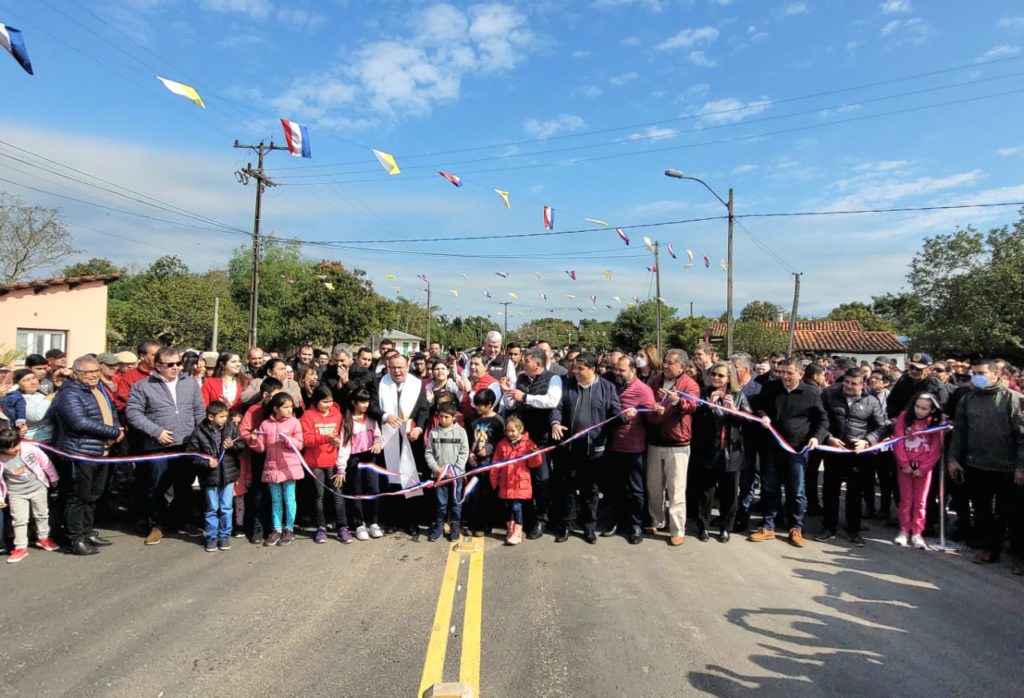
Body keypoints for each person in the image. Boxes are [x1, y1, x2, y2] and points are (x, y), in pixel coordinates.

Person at [948, 358, 1024, 569]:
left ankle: (1018, 554)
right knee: (982, 511)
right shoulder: (968, 399)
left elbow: (1022, 437)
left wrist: (1021, 467)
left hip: (1007, 468)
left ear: (995, 374)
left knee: (1011, 513)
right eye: (973, 373)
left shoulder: (1013, 399)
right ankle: (990, 548)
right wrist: (953, 458)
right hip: (977, 465)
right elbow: (960, 432)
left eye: (980, 373)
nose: (976, 377)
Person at [126, 346, 206, 545]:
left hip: (186, 444)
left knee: (184, 485)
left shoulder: (190, 383)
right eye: (170, 365)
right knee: (157, 486)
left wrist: (199, 436)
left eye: (178, 363)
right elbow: (133, 413)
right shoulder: (142, 386)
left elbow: (199, 410)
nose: (176, 368)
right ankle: (157, 524)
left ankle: (183, 520)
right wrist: (156, 431)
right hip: (158, 444)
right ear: (158, 365)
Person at [50, 355, 125, 555]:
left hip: (101, 450)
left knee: (94, 494)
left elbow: (111, 412)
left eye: (95, 371)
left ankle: (87, 530)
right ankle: (76, 538)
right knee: (78, 497)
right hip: (80, 451)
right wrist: (113, 433)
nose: (93, 376)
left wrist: (117, 428)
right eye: (87, 372)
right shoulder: (69, 393)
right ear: (76, 374)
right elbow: (79, 422)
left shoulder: (98, 388)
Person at [749, 359, 828, 548]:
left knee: (796, 491)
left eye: (789, 373)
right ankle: (768, 526)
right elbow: (759, 407)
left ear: (800, 374)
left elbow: (823, 420)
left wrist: (817, 438)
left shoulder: (812, 392)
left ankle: (795, 527)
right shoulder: (770, 388)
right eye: (780, 372)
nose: (784, 376)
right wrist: (763, 416)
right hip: (771, 447)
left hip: (797, 450)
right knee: (770, 487)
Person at [550, 351, 622, 544]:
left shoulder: (606, 387)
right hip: (569, 448)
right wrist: (555, 423)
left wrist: (625, 416)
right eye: (574, 368)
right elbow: (557, 408)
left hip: (594, 451)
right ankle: (567, 525)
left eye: (580, 368)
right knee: (568, 489)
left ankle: (589, 527)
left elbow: (616, 412)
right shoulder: (567, 385)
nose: (576, 371)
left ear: (592, 369)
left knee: (590, 491)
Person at [816, 368, 887, 546]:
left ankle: (853, 530)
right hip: (834, 452)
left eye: (853, 383)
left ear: (863, 384)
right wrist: (828, 438)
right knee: (830, 491)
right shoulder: (829, 395)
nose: (848, 386)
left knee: (855, 494)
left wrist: (867, 441)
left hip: (858, 456)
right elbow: (819, 419)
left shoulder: (872, 401)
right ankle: (828, 527)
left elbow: (880, 427)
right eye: (846, 382)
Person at [501, 346, 562, 539]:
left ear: (538, 364)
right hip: (521, 438)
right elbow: (512, 404)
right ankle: (523, 518)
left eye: (526, 361)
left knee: (541, 480)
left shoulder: (553, 378)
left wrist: (525, 396)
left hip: (541, 440)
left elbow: (551, 401)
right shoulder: (521, 378)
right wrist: (507, 392)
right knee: (520, 479)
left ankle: (542, 519)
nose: (523, 364)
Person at [645, 348, 699, 546]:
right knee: (654, 486)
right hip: (654, 440)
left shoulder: (689, 384)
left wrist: (677, 401)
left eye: (670, 363)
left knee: (676, 490)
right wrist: (653, 407)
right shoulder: (655, 380)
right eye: (665, 362)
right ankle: (657, 520)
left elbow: (692, 405)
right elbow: (648, 400)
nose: (665, 366)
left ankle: (677, 529)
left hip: (678, 444)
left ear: (682, 367)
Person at [691, 362, 751, 543]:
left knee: (729, 494)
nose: (716, 378)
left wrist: (734, 411)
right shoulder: (703, 393)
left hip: (731, 454)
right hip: (708, 452)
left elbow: (749, 421)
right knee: (706, 494)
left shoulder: (739, 396)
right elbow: (694, 421)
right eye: (714, 374)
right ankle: (703, 527)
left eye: (721, 375)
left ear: (729, 378)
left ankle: (726, 527)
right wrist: (707, 407)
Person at [373, 353, 430, 537]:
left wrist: (419, 429)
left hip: (410, 438)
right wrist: (385, 416)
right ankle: (392, 520)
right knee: (390, 482)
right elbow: (372, 406)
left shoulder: (417, 383)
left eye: (401, 367)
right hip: (387, 437)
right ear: (388, 367)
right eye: (393, 367)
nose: (397, 371)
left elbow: (423, 410)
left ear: (407, 366)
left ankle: (411, 521)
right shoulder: (380, 383)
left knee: (410, 480)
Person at [604, 355, 655, 544]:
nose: (617, 373)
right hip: (612, 444)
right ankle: (617, 521)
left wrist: (650, 413)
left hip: (634, 447)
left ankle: (635, 525)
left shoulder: (643, 390)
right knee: (615, 487)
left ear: (633, 370)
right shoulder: (611, 386)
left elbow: (652, 417)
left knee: (636, 489)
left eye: (622, 370)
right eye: (616, 369)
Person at [184, 400, 242, 552]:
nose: (225, 419)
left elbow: (242, 445)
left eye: (226, 416)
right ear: (211, 417)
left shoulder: (231, 428)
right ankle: (211, 537)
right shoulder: (198, 432)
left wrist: (233, 446)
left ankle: (224, 536)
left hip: (228, 475)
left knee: (226, 507)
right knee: (212, 508)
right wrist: (206, 463)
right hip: (210, 478)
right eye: (221, 416)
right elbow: (192, 455)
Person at [248, 392, 304, 547]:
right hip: (272, 467)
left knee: (289, 498)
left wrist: (288, 440)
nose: (289, 410)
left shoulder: (294, 422)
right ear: (275, 408)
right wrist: (253, 440)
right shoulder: (266, 424)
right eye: (285, 407)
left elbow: (299, 444)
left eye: (290, 407)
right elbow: (261, 448)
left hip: (289, 468)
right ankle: (277, 529)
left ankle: (289, 528)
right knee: (276, 500)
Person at [893, 393, 945, 550]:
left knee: (921, 501)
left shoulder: (935, 422)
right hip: (906, 465)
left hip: (923, 467)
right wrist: (904, 463)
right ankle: (904, 530)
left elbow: (936, 448)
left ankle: (917, 532)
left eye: (924, 408)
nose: (919, 411)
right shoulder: (904, 416)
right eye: (917, 406)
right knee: (906, 500)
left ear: (931, 410)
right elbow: (898, 440)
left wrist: (924, 468)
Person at [0, 427, 61, 563]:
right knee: (19, 520)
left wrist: (53, 477)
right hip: (15, 492)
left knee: (42, 514)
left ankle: (44, 538)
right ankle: (20, 547)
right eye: (9, 449)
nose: (14, 450)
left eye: (16, 445)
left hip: (37, 487)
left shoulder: (30, 449)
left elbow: (45, 462)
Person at [334, 388, 384, 541]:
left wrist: (378, 443)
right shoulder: (347, 421)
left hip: (370, 458)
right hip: (354, 460)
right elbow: (344, 445)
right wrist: (341, 467)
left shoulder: (371, 418)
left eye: (367, 401)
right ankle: (359, 524)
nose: (365, 405)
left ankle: (374, 523)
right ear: (353, 402)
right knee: (357, 492)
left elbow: (378, 436)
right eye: (362, 402)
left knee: (374, 490)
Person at [237, 377, 283, 544]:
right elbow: (244, 430)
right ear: (265, 394)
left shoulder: (280, 410)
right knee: (257, 491)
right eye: (276, 395)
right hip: (259, 455)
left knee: (274, 492)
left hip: (277, 455)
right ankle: (256, 525)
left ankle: (273, 525)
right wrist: (253, 439)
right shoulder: (254, 410)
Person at [300, 386, 347, 543]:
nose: (328, 405)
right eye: (324, 402)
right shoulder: (308, 415)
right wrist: (326, 438)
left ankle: (342, 526)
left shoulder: (338, 415)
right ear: (316, 401)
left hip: (334, 462)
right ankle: (321, 527)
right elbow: (306, 439)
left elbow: (344, 436)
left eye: (330, 401)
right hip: (315, 463)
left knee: (338, 495)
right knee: (318, 496)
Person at [490, 415, 543, 545]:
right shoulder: (502, 444)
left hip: (519, 483)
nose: (510, 434)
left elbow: (534, 464)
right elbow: (495, 463)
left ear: (520, 429)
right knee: (507, 507)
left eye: (513, 431)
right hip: (505, 482)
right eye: (508, 431)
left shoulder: (528, 443)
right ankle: (510, 529)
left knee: (516, 506)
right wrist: (494, 481)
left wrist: (535, 454)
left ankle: (518, 532)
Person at [424, 401, 469, 542]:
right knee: (441, 503)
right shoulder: (434, 432)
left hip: (457, 476)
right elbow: (429, 453)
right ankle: (439, 527)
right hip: (440, 476)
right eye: (441, 417)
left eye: (446, 417)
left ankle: (455, 527)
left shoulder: (461, 432)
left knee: (456, 503)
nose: (443, 420)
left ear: (454, 417)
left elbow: (464, 452)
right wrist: (437, 469)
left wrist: (456, 469)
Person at [464, 389, 503, 537]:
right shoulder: (473, 419)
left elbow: (500, 443)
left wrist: (489, 450)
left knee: (486, 495)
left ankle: (485, 525)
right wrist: (469, 454)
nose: (477, 408)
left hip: (488, 465)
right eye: (476, 405)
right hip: (473, 464)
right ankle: (472, 523)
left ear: (490, 404)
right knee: (473, 494)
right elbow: (467, 439)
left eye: (481, 405)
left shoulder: (498, 421)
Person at [457, 353, 500, 424]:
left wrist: (469, 391)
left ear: (485, 367)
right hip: (463, 422)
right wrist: (460, 390)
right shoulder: (467, 380)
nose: (472, 367)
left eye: (476, 364)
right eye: (471, 363)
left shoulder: (493, 384)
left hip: (481, 424)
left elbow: (486, 407)